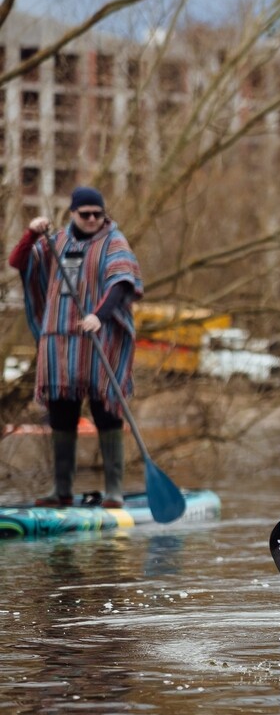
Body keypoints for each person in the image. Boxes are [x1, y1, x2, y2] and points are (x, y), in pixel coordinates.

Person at [9, 187, 142, 508]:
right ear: (72, 213)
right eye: (85, 214)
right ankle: (62, 491)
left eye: (98, 213)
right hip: (59, 343)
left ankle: (114, 491)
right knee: (61, 417)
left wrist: (99, 315)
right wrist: (31, 234)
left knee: (106, 413)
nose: (93, 219)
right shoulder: (56, 242)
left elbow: (121, 283)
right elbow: (19, 261)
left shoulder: (114, 241)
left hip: (100, 341)